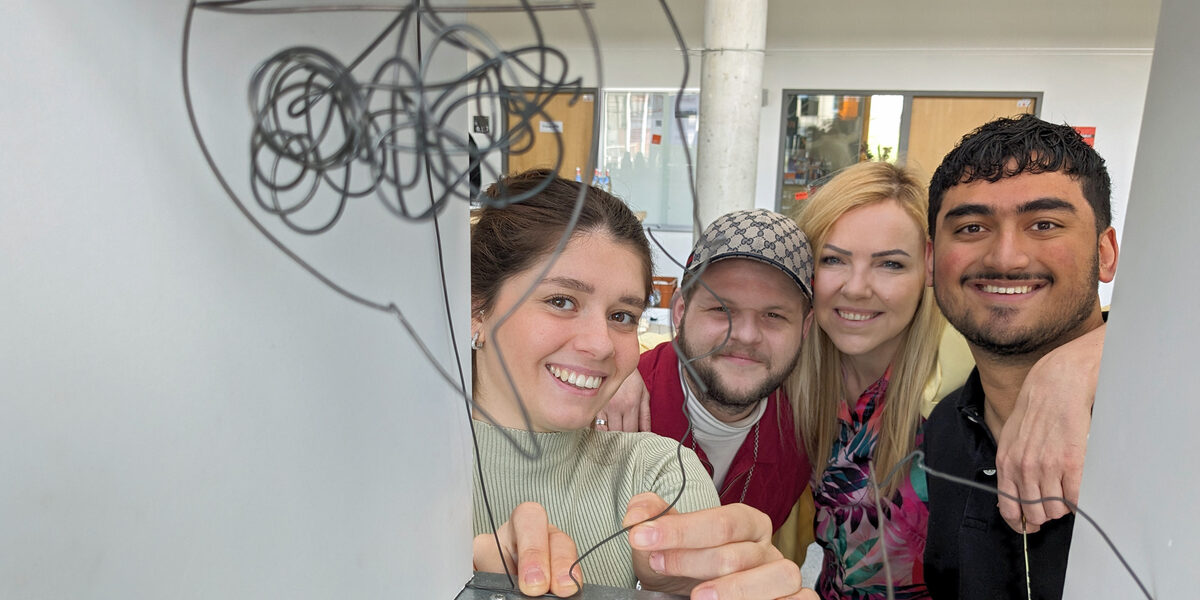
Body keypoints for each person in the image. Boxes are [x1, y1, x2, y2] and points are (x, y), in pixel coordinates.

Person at [468, 169, 813, 600]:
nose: (600, 345)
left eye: (622, 316)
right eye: (562, 301)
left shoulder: (662, 470)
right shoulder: (377, 463)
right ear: (477, 309)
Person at [921, 115, 1118, 599]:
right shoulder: (943, 428)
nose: (1005, 258)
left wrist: (1078, 365)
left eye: (1044, 224)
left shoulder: (1172, 414)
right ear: (930, 261)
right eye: (971, 227)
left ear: (1106, 253)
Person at [787, 161, 943, 599]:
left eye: (890, 264)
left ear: (927, 270)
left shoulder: (959, 390)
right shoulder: (796, 377)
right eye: (834, 259)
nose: (856, 288)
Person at [612, 209, 815, 533]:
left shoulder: (801, 436)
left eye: (774, 315)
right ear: (680, 311)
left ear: (804, 328)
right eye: (721, 309)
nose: (746, 335)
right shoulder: (608, 404)